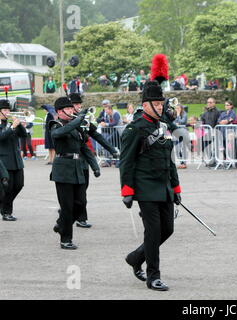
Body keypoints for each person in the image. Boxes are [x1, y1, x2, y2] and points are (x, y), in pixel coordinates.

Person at [120, 80, 182, 291]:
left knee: (168, 229)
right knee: (153, 232)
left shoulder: (163, 127)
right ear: (145, 105)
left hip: (164, 187)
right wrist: (127, 190)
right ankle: (153, 276)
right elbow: (126, 162)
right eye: (156, 103)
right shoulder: (134, 129)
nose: (160, 107)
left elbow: (169, 159)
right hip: (145, 188)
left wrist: (176, 188)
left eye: (161, 103)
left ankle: (136, 257)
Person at [49, 97, 100, 249]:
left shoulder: (75, 127)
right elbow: (58, 134)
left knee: (81, 203)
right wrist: (77, 121)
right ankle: (66, 239)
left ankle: (62, 225)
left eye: (73, 108)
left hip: (77, 167)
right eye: (69, 109)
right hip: (63, 169)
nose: (72, 110)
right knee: (67, 206)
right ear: (60, 111)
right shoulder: (55, 124)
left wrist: (94, 165)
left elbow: (83, 147)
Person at [69, 92, 118, 228]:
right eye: (75, 104)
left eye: (79, 104)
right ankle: (69, 213)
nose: (78, 107)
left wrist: (111, 149)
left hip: (83, 160)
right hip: (69, 161)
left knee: (83, 190)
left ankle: (80, 217)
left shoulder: (83, 120)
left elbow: (96, 135)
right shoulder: (66, 121)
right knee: (71, 193)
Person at [0, 97, 27, 221]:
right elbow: (2, 137)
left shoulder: (12, 123)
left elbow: (24, 135)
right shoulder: (5, 126)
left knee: (19, 185)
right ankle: (6, 211)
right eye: (4, 110)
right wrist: (11, 128)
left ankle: (4, 206)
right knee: (8, 187)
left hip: (16, 160)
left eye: (8, 110)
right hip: (4, 161)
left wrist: (19, 124)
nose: (7, 112)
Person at [173, 104, 189, 169]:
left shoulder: (184, 114)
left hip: (183, 133)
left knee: (183, 148)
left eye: (178, 108)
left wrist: (178, 115)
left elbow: (182, 122)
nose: (177, 110)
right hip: (176, 133)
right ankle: (181, 162)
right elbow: (173, 122)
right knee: (177, 149)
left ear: (181, 108)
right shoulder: (173, 114)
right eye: (176, 108)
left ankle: (184, 163)